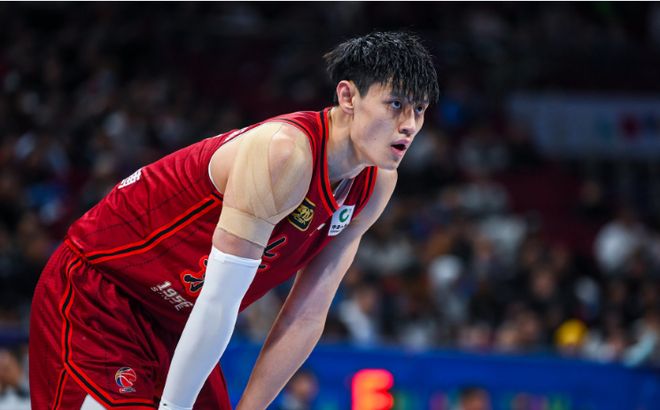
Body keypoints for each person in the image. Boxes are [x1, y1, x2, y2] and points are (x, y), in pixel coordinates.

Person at [29, 31, 439, 410]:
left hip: (177, 322)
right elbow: (219, 299)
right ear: (348, 96)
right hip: (101, 295)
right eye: (395, 104)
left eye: (419, 110)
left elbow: (307, 314)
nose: (409, 125)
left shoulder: (377, 184)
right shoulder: (284, 153)